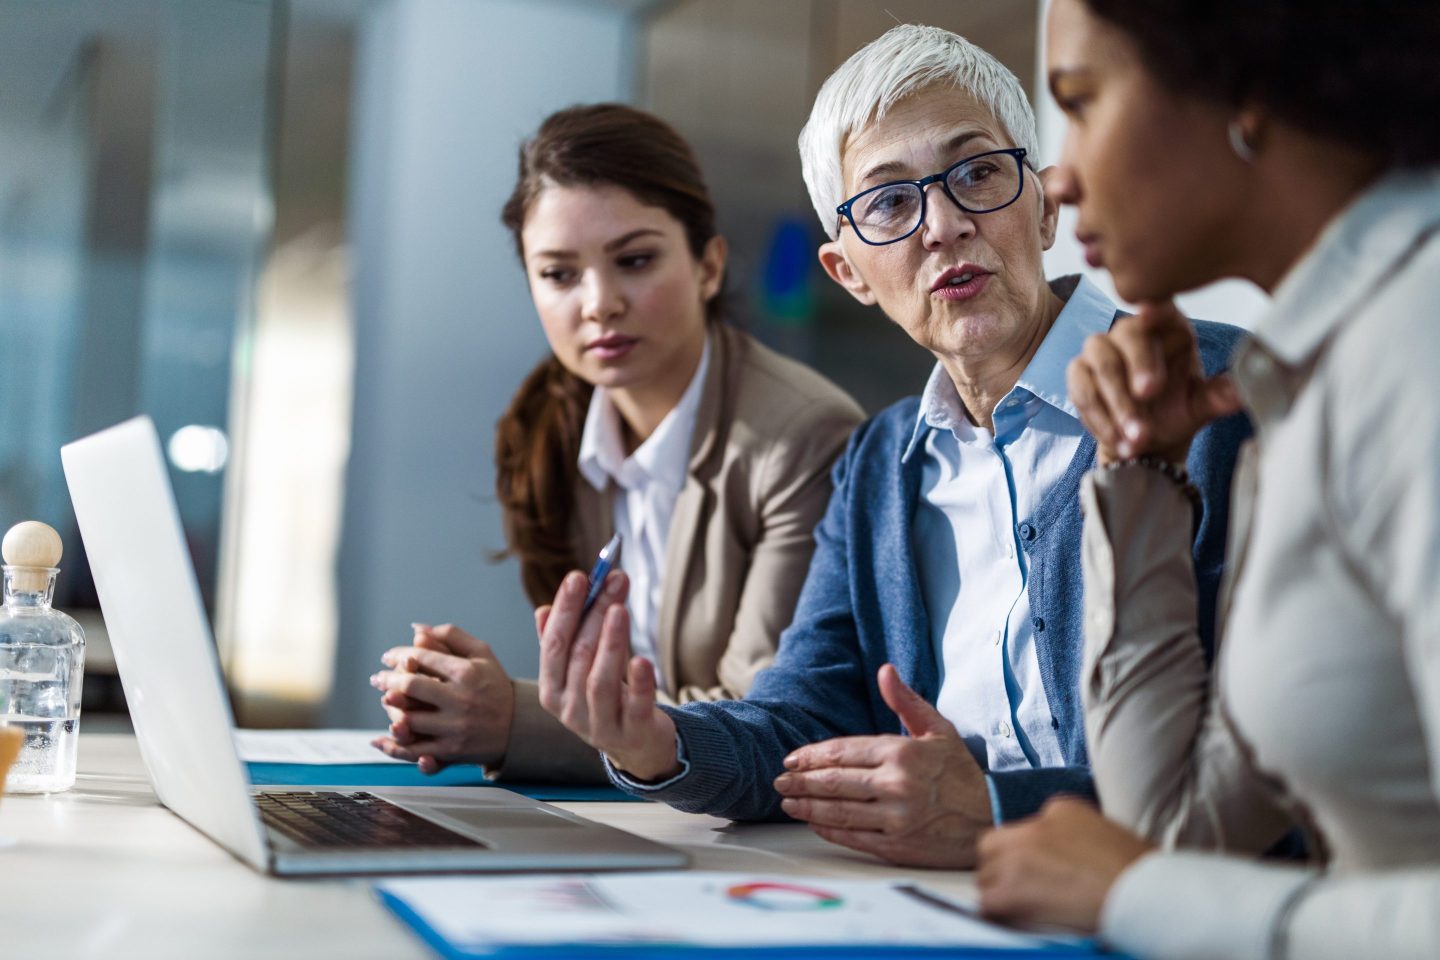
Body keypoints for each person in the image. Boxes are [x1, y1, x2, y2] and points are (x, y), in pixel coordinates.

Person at [531, 25, 1251, 868]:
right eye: (889, 202)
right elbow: (804, 720)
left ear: (1046, 204)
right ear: (849, 274)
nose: (942, 226)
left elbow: (1260, 772)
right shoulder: (878, 464)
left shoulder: (1217, 392)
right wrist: (656, 742)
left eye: (978, 172)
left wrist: (991, 806)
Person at [975, 1, 1440, 957]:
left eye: (1082, 100)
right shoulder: (1310, 377)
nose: (1058, 172)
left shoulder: (1418, 346)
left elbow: (1153, 876)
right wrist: (1139, 468)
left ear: (1248, 85)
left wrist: (1143, 895)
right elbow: (1174, 828)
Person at [369, 104, 864, 783]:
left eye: (633, 260)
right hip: (639, 817)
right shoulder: (552, 426)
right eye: (559, 274)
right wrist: (449, 698)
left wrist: (512, 720)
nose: (598, 303)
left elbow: (766, 717)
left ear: (710, 266)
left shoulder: (803, 439)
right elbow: (599, 690)